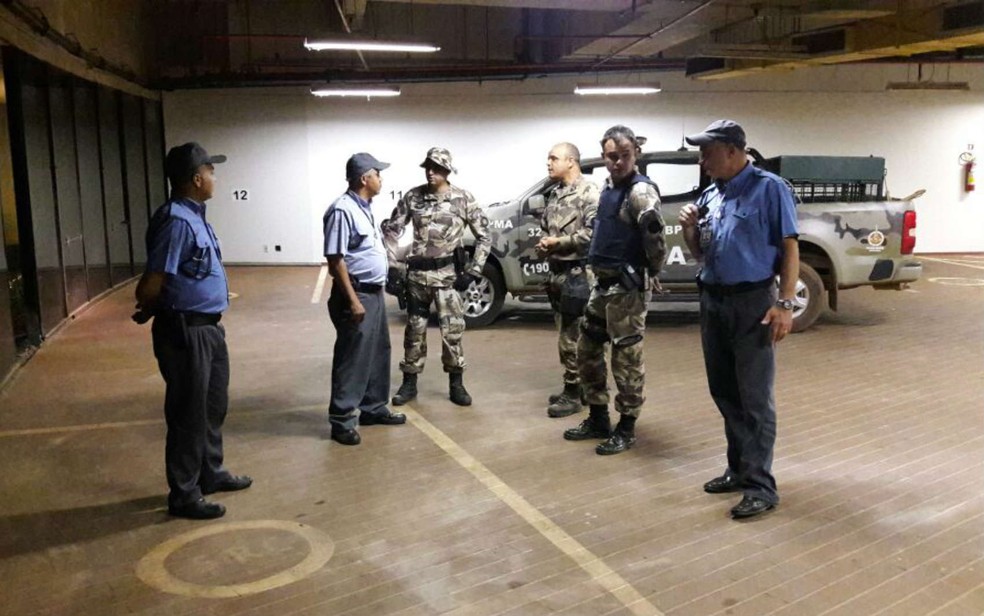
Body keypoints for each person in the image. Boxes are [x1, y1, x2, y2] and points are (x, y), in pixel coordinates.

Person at [679, 119, 799, 520]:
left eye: (707, 152)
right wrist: (691, 230)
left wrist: (785, 304)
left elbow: (789, 247)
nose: (702, 160)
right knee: (725, 391)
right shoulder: (713, 193)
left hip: (752, 303)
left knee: (754, 398)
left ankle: (761, 486)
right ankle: (737, 468)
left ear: (732, 150)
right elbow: (701, 254)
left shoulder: (770, 189)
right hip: (713, 301)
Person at [134, 142, 251, 520]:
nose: (215, 177)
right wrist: (152, 307)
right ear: (196, 178)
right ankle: (184, 493)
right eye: (211, 171)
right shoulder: (177, 221)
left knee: (213, 406)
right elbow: (154, 279)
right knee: (188, 412)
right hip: (186, 330)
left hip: (209, 328)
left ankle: (210, 473)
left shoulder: (196, 215)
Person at [562, 125, 666, 455]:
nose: (618, 162)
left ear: (636, 153)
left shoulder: (640, 193)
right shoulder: (608, 187)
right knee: (587, 350)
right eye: (611, 156)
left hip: (627, 290)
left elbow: (655, 239)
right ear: (604, 156)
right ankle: (597, 417)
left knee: (626, 360)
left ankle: (627, 426)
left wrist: (652, 271)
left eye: (624, 155)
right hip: (603, 287)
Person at [381, 147, 491, 407]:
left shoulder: (462, 199)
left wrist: (474, 271)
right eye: (428, 167)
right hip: (417, 278)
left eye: (437, 168)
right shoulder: (413, 197)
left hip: (447, 280)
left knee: (452, 333)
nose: (431, 172)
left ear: (447, 170)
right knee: (414, 333)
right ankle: (409, 384)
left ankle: (456, 384)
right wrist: (393, 266)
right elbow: (391, 229)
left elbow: (485, 236)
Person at [322, 153, 407, 446]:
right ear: (363, 179)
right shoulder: (342, 210)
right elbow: (335, 259)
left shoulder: (364, 208)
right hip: (356, 294)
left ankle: (372, 408)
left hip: (373, 292)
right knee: (352, 357)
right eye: (377, 174)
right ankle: (342, 419)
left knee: (378, 350)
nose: (381, 179)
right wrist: (352, 300)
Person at [534, 143, 599, 418]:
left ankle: (574, 393)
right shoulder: (555, 195)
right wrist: (545, 245)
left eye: (553, 158)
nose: (548, 163)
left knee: (574, 337)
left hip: (579, 275)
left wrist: (559, 242)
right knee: (566, 334)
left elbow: (594, 234)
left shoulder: (590, 192)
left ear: (571, 161)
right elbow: (547, 229)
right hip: (559, 274)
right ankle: (580, 386)